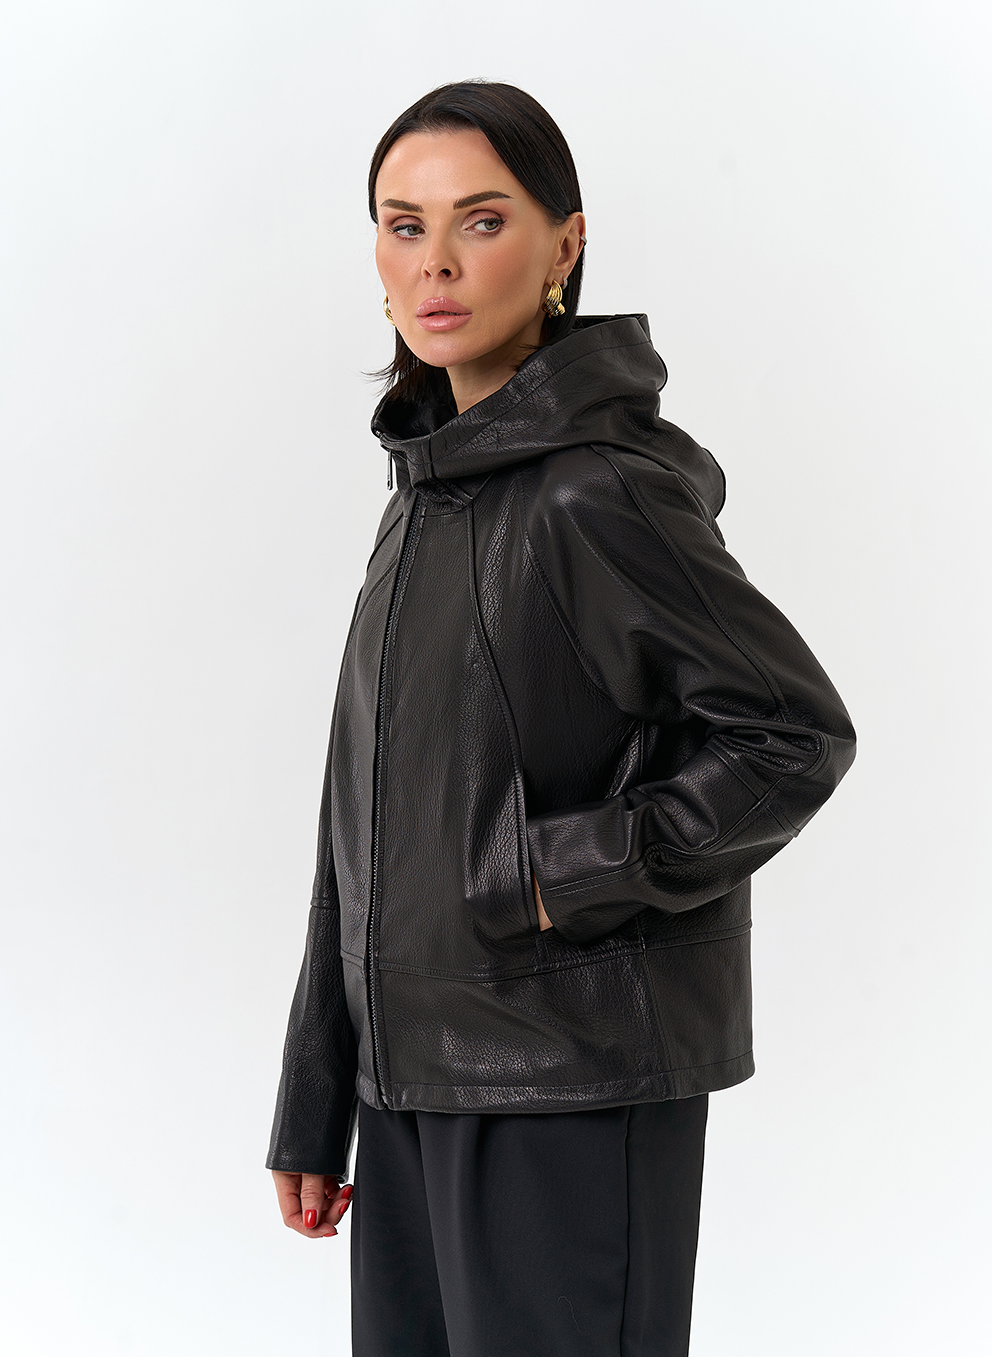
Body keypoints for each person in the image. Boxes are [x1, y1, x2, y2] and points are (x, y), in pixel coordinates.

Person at [267, 79, 856, 1357]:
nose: (433, 262)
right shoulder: (423, 499)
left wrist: (549, 876)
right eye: (403, 225)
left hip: (564, 1079)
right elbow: (356, 820)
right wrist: (317, 1090)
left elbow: (790, 736)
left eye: (479, 221)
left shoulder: (594, 495)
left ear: (563, 246)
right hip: (406, 1089)